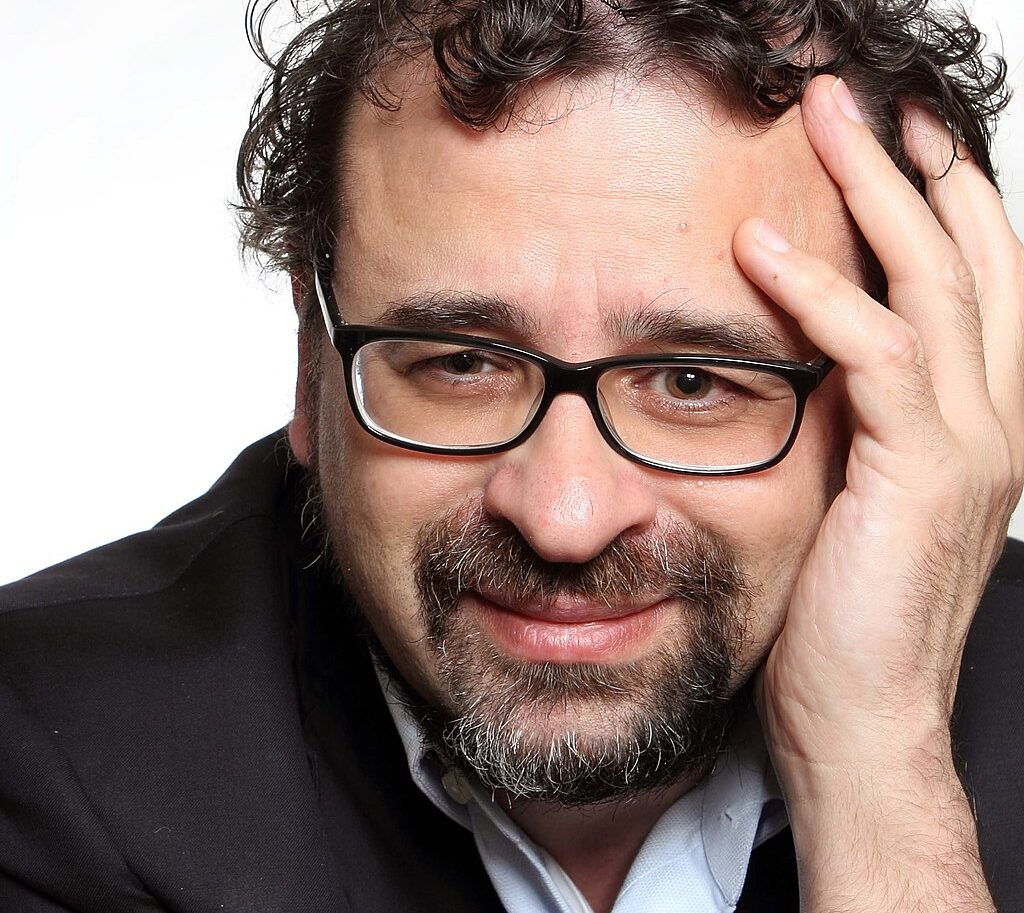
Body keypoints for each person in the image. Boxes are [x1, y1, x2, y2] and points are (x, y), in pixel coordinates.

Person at [1, 0, 1022, 910]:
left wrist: (878, 772)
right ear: (313, 365)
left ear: (902, 390)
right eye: (461, 362)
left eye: (692, 380)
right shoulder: (45, 749)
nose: (564, 515)